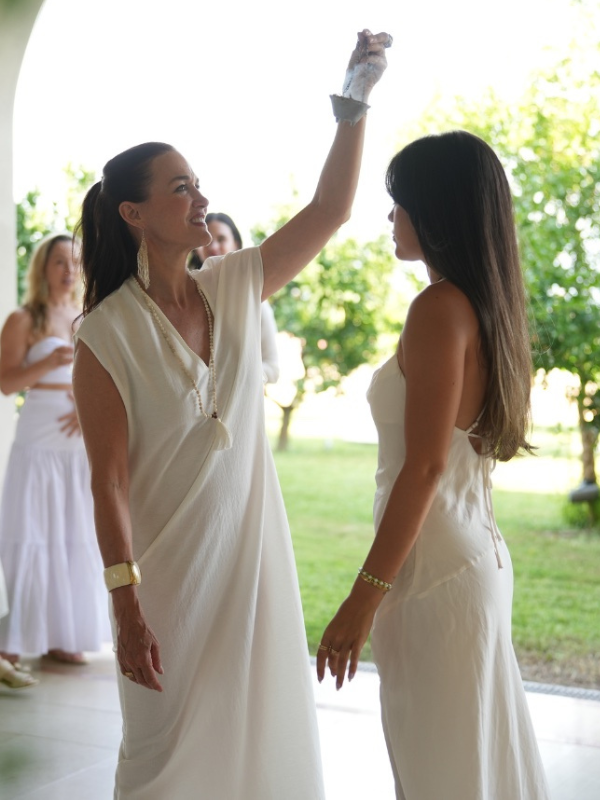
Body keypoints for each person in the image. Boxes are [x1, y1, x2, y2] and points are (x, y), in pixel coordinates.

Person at [71, 30, 391, 799]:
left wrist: (353, 105)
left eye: (198, 183)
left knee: (257, 740)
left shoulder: (236, 285)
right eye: (180, 188)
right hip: (166, 583)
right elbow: (107, 483)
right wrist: (126, 608)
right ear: (134, 213)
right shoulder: (104, 334)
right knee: (162, 757)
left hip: (250, 563)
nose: (200, 198)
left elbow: (331, 209)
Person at [317, 131, 551, 799]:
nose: (391, 217)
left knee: (440, 773)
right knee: (469, 763)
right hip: (470, 556)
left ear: (438, 209)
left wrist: (363, 599)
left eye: (400, 203)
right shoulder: (483, 307)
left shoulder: (439, 308)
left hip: (434, 571)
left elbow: (422, 470)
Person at [0, 233, 109, 669]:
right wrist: (48, 362)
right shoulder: (25, 319)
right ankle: (14, 638)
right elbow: (6, 383)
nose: (69, 270)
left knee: (74, 531)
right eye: (60, 261)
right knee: (32, 529)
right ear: (44, 267)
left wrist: (86, 414)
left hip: (79, 439)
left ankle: (63, 636)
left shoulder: (92, 316)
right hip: (39, 435)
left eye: (75, 262)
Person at [190, 212, 280, 384]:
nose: (213, 246)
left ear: (236, 244)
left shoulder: (256, 299)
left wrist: (238, 378)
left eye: (221, 239)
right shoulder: (183, 295)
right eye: (206, 241)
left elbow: (273, 368)